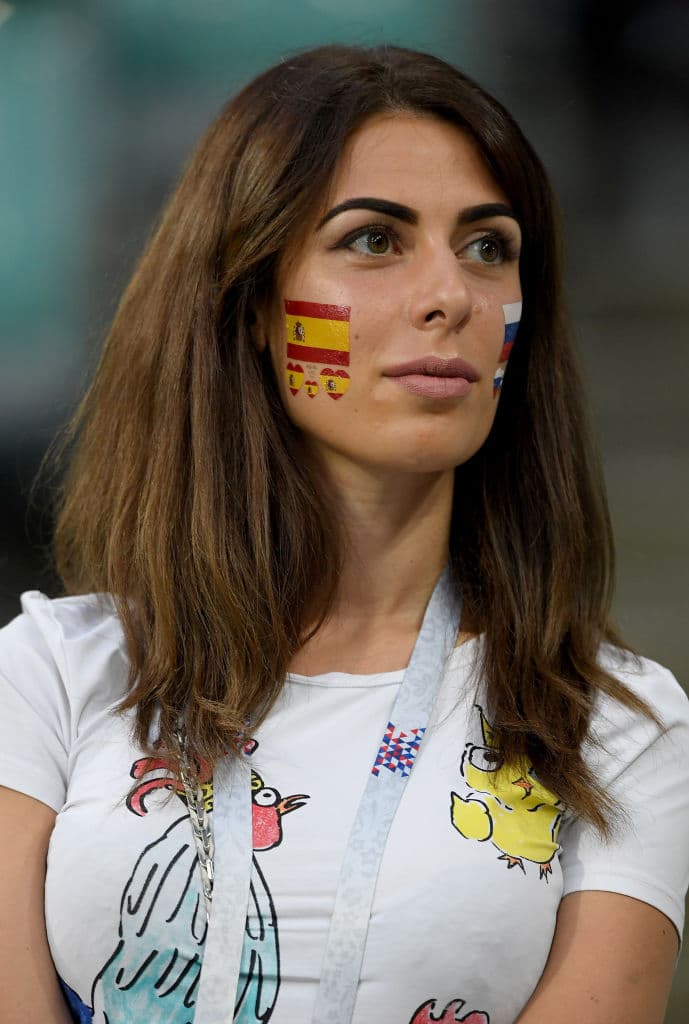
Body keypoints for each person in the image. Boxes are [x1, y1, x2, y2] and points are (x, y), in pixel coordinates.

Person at [0, 44, 688, 1024]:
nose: (447, 293)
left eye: (487, 246)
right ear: (250, 301)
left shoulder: (614, 728)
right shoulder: (51, 677)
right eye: (374, 239)